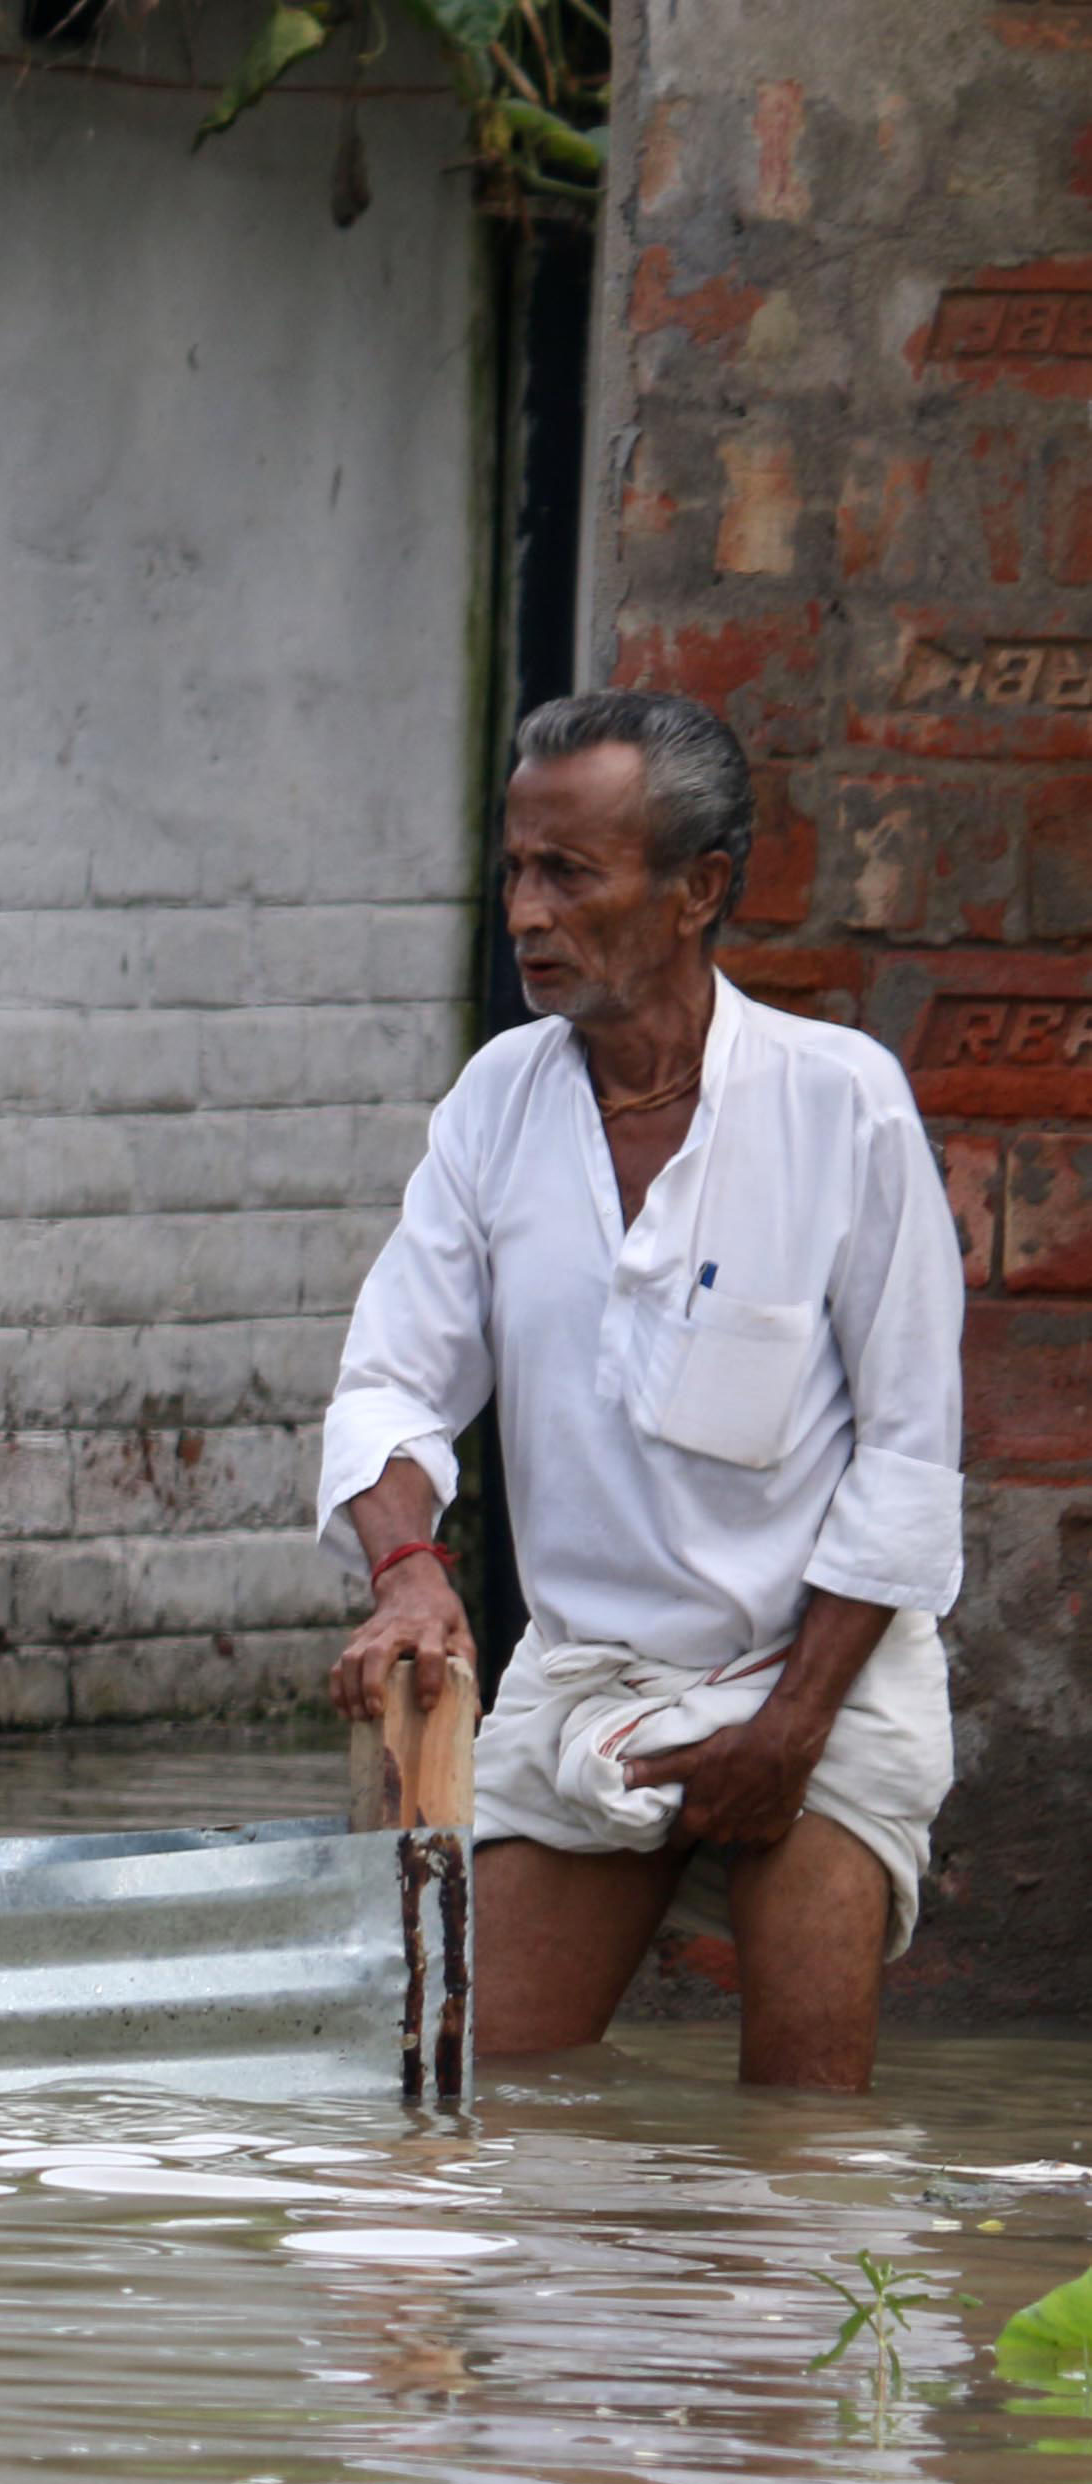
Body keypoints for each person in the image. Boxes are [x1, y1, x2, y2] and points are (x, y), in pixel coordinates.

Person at [320, 689, 967, 2092]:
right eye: (515, 870)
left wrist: (785, 1733)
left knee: (803, 2145)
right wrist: (410, 1572)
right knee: (468, 2095)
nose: (526, 913)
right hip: (591, 1681)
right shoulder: (496, 1101)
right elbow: (391, 1381)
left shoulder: (838, 1101)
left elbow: (909, 1463)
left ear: (698, 891)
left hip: (821, 1688)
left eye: (569, 874)